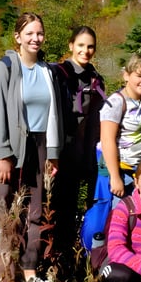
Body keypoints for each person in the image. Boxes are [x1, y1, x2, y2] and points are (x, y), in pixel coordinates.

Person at [0, 12, 64, 282]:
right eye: (29, 34)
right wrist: (2, 154)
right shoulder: (5, 67)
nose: (35, 39)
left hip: (38, 146)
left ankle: (28, 270)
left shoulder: (46, 71)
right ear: (17, 37)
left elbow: (54, 114)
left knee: (34, 211)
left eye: (39, 33)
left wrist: (53, 152)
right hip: (10, 147)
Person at [51, 26, 105, 269]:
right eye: (81, 45)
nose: (86, 50)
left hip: (88, 157)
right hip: (63, 157)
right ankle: (56, 264)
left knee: (86, 213)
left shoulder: (96, 78)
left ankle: (80, 261)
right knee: (59, 213)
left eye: (90, 46)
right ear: (71, 45)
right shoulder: (59, 74)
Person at [99, 53, 141, 199]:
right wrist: (115, 177)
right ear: (126, 75)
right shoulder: (116, 102)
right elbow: (107, 140)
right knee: (116, 218)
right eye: (139, 75)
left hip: (137, 172)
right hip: (118, 171)